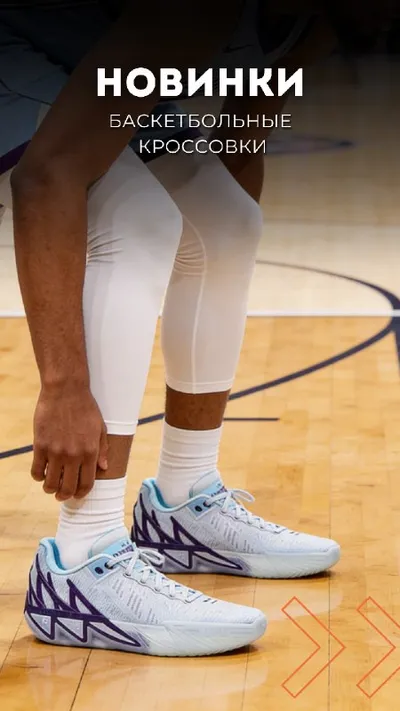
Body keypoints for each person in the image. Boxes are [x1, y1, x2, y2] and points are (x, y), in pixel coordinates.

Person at [1, 1, 340, 657]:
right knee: (135, 220)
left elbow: (242, 135)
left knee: (224, 222)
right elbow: (47, 177)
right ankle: (83, 560)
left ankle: (184, 505)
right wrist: (65, 387)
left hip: (84, 55)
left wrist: (215, 251)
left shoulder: (326, 22)